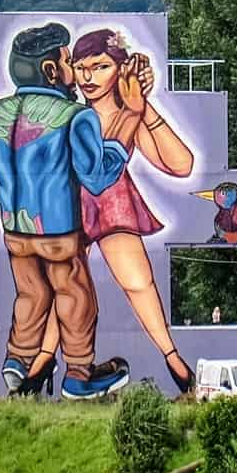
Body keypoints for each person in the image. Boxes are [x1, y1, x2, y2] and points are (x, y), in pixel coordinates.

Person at [0, 22, 136, 400]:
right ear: (51, 70)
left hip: (15, 227)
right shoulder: (74, 117)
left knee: (30, 295)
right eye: (68, 61)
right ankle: (79, 374)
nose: (74, 71)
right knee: (76, 295)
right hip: (58, 231)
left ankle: (17, 359)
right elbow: (97, 177)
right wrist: (122, 134)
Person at [66, 28, 197, 394]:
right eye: (81, 67)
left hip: (113, 205)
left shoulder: (130, 112)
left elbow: (180, 164)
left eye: (100, 66)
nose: (88, 77)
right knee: (65, 283)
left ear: (120, 69)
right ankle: (41, 365)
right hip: (71, 206)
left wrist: (142, 105)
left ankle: (172, 359)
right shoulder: (73, 117)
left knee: (138, 282)